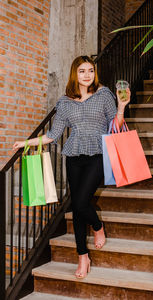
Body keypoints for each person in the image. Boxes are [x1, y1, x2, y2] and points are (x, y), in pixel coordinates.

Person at [13, 55, 130, 279]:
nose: (87, 75)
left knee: (79, 202)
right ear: (74, 74)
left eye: (91, 71)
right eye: (82, 71)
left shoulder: (104, 94)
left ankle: (97, 226)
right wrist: (26, 142)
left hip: (98, 153)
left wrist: (121, 107)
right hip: (74, 156)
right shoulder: (65, 102)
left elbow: (114, 125)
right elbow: (53, 135)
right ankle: (82, 256)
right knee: (77, 208)